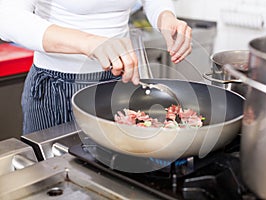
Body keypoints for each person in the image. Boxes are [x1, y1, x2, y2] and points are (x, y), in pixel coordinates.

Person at [0, 0, 192, 134]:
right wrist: (90, 43)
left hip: (120, 83)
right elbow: (7, 18)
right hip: (56, 88)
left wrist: (165, 17)